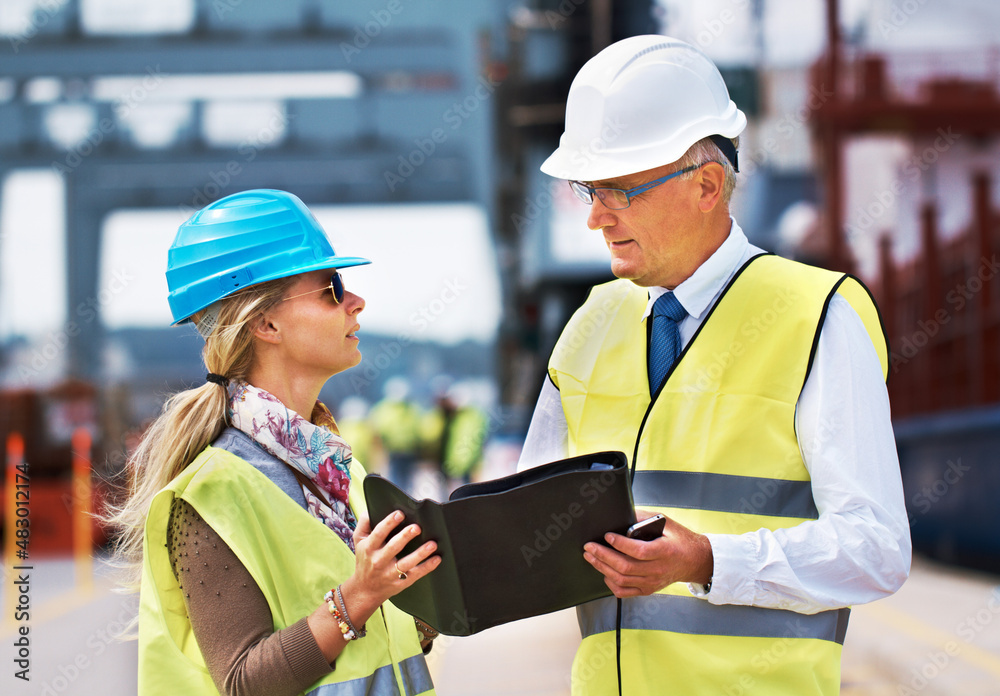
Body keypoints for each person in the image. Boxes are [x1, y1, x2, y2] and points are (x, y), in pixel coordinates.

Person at [517, 36, 911, 696]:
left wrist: (708, 560)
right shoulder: (590, 325)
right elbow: (529, 520)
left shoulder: (816, 316)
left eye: (618, 190)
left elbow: (876, 550)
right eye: (590, 189)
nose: (594, 218)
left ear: (705, 185)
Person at [105, 189, 441, 696]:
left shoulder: (332, 468)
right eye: (331, 286)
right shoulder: (212, 492)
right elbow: (243, 682)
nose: (356, 301)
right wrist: (359, 596)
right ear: (266, 323)